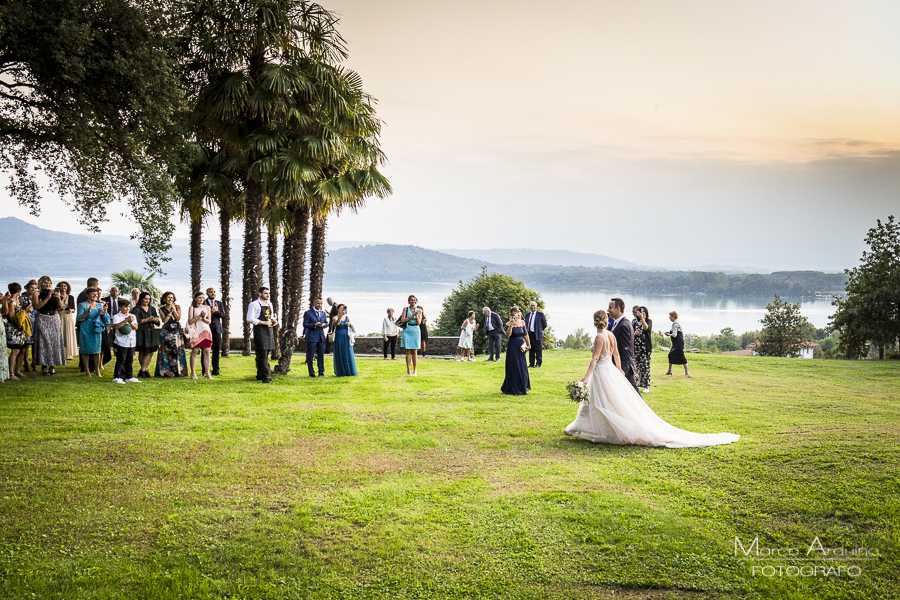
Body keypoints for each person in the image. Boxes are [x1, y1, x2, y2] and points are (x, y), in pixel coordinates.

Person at [564, 310, 737, 447]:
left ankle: (590, 428)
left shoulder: (600, 336)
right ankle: (598, 427)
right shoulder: (611, 335)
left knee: (601, 400)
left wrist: (586, 377)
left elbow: (595, 358)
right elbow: (616, 354)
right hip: (610, 370)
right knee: (610, 401)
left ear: (595, 321)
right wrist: (619, 373)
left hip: (602, 371)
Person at [30, 275, 65, 375]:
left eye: (49, 284)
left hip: (54, 317)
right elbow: (36, 306)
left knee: (54, 341)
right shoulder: (37, 293)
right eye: (46, 284)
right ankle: (44, 365)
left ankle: (52, 366)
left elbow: (60, 307)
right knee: (44, 342)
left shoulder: (55, 292)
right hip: (42, 317)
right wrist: (47, 298)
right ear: (41, 284)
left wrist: (58, 298)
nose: (48, 286)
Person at [608, 297, 640, 394]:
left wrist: (622, 370)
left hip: (624, 367)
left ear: (618, 309)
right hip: (620, 366)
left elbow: (627, 349)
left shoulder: (623, 325)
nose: (608, 310)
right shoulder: (619, 323)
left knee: (634, 394)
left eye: (610, 307)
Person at [77, 287, 109, 377]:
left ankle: (97, 370)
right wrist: (87, 313)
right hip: (86, 328)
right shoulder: (82, 305)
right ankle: (87, 370)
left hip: (96, 329)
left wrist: (104, 312)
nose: (95, 296)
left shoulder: (99, 305)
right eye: (93, 294)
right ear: (87, 295)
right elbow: (79, 318)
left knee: (97, 350)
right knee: (85, 350)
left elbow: (105, 320)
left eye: (97, 294)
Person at [246, 287, 276, 383]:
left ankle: (260, 374)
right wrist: (263, 322)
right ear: (260, 294)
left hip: (269, 330)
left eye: (268, 293)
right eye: (265, 293)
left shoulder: (269, 304)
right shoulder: (254, 304)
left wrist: (274, 320)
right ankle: (264, 376)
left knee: (266, 352)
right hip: (260, 330)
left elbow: (271, 316)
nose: (267, 295)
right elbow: (249, 318)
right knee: (262, 353)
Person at [156, 291, 188, 378]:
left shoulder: (177, 307)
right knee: (166, 351)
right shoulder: (161, 309)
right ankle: (167, 371)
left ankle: (178, 371)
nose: (170, 299)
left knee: (177, 350)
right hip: (166, 331)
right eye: (168, 298)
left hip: (176, 330)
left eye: (172, 297)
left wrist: (174, 311)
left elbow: (178, 318)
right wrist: (169, 313)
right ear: (164, 299)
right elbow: (165, 320)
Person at [501, 306, 531, 395]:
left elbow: (525, 334)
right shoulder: (508, 323)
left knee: (522, 365)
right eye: (514, 315)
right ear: (511, 315)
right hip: (512, 345)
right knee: (514, 365)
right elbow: (508, 335)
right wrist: (511, 325)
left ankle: (522, 386)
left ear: (519, 314)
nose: (515, 316)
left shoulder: (522, 322)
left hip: (520, 345)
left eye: (517, 314)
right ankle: (512, 386)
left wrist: (528, 344)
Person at [111, 298, 141, 384]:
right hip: (121, 342)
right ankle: (117, 376)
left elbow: (136, 327)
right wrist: (126, 321)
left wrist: (130, 322)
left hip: (131, 342)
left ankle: (129, 376)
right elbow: (116, 326)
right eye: (125, 307)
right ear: (120, 307)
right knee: (121, 360)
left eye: (128, 307)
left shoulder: (133, 316)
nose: (127, 309)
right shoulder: (117, 316)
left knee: (129, 360)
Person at [132, 292, 160, 378]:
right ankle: (144, 371)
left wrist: (155, 320)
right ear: (141, 299)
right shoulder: (136, 309)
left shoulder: (152, 309)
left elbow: (158, 323)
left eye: (148, 299)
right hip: (141, 332)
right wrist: (147, 319)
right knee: (142, 351)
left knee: (150, 352)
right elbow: (135, 321)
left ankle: (143, 370)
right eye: (145, 299)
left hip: (150, 332)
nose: (147, 301)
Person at [3, 283, 28, 378]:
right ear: (19, 291)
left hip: (20, 329)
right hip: (14, 329)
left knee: (22, 350)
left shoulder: (18, 301)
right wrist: (19, 325)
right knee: (15, 351)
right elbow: (11, 316)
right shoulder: (11, 303)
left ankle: (17, 370)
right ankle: (11, 372)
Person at [187, 291, 214, 380]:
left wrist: (204, 318)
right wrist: (199, 316)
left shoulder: (207, 307)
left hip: (205, 330)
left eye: (203, 298)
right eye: (199, 298)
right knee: (195, 352)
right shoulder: (192, 308)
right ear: (195, 298)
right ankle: (193, 373)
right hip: (196, 331)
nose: (201, 300)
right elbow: (190, 321)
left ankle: (207, 373)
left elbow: (209, 321)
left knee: (207, 352)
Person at [303, 298, 328, 377]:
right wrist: (314, 325)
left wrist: (324, 325)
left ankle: (321, 372)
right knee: (310, 355)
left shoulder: (323, 313)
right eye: (318, 303)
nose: (320, 305)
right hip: (312, 336)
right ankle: (311, 372)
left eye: (321, 304)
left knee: (321, 355)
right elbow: (305, 324)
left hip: (321, 336)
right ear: (314, 303)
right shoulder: (308, 313)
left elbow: (326, 323)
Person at [331, 304, 358, 377]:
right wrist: (340, 316)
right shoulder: (334, 317)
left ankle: (349, 370)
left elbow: (350, 326)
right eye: (341, 308)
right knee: (340, 351)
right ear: (338, 309)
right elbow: (337, 324)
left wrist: (349, 324)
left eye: (344, 308)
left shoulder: (347, 317)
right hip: (339, 336)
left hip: (346, 336)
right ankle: (341, 371)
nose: (342, 309)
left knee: (347, 352)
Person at [400, 295, 423, 376]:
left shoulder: (419, 310)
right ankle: (408, 369)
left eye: (414, 300)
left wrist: (416, 317)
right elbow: (403, 320)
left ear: (416, 301)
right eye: (411, 300)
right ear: (409, 301)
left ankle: (415, 370)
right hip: (407, 329)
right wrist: (412, 316)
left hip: (415, 330)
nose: (413, 301)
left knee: (414, 351)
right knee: (408, 350)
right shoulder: (405, 309)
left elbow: (419, 322)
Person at [205, 287, 227, 375]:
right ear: (207, 293)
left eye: (214, 292)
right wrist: (210, 311)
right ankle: (204, 370)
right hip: (206, 329)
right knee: (205, 350)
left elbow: (223, 315)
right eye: (211, 292)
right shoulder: (204, 303)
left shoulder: (219, 303)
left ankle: (216, 370)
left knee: (216, 350)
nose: (213, 293)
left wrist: (216, 312)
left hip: (217, 329)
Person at [632, 306, 653, 393]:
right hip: (636, 348)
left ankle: (646, 386)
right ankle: (635, 384)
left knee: (645, 367)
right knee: (636, 367)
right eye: (641, 312)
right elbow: (631, 335)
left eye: (644, 312)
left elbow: (646, 328)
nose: (642, 313)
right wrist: (634, 334)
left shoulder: (648, 321)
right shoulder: (634, 323)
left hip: (645, 348)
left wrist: (642, 319)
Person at [664, 311, 691, 378]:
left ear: (673, 316)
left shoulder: (676, 323)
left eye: (670, 316)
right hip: (676, 343)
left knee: (682, 357)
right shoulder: (676, 322)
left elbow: (674, 335)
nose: (669, 318)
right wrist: (669, 332)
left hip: (678, 343)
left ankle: (687, 373)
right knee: (671, 355)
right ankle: (669, 371)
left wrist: (668, 334)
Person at [57, 281, 78, 361]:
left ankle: (69, 354)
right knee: (61, 333)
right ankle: (60, 353)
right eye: (61, 286)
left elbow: (73, 308)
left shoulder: (71, 297)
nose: (63, 288)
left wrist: (71, 310)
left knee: (68, 334)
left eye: (65, 286)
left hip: (68, 316)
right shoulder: (57, 296)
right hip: (60, 315)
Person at [525, 301, 547, 368]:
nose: (532, 307)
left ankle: (538, 363)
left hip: (537, 334)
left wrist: (539, 330)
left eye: (534, 305)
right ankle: (531, 364)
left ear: (536, 306)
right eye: (531, 305)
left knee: (538, 350)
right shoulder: (528, 314)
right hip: (529, 334)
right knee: (531, 350)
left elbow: (545, 324)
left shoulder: (540, 314)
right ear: (529, 306)